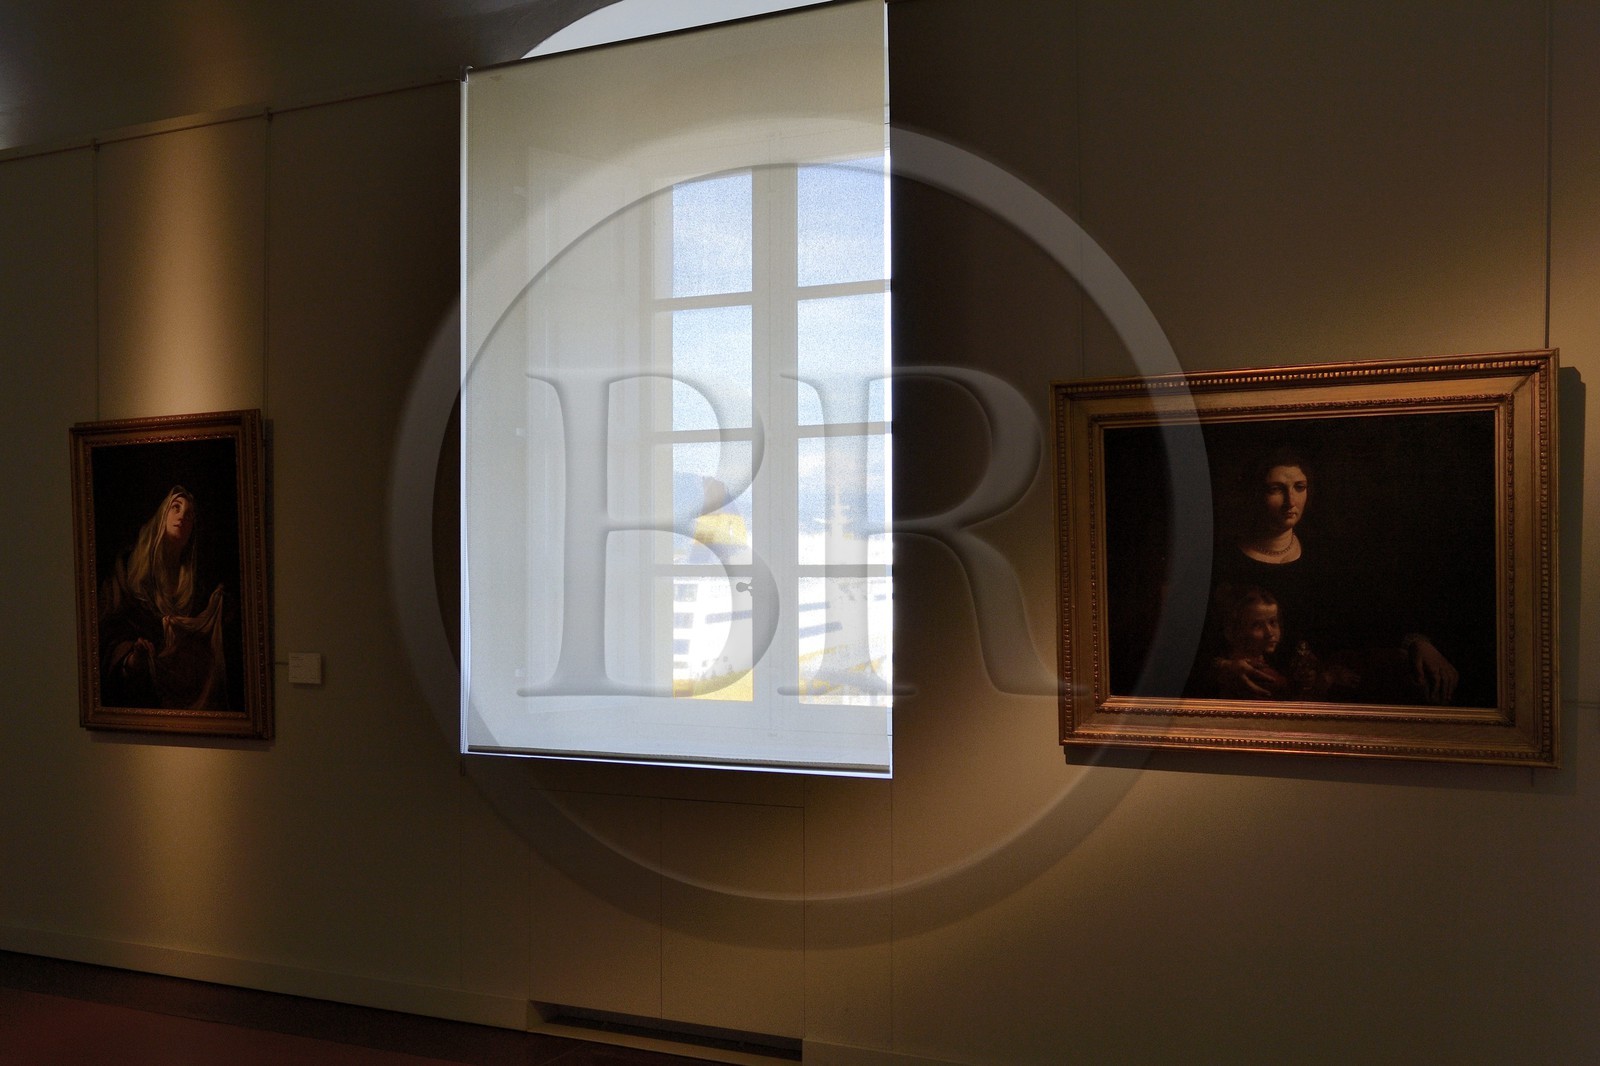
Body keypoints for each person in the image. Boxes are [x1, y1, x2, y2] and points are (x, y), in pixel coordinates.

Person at [1194, 446, 1459, 704]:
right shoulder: (1222, 562)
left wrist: (1418, 642)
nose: (1290, 501)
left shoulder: (1326, 556)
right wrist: (1223, 668)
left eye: (1300, 487)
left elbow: (1371, 616)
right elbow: (1193, 643)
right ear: (1254, 493)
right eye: (1276, 489)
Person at [98, 486, 230, 710]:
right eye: (175, 508)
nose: (182, 517)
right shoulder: (129, 568)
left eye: (189, 514)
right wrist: (131, 658)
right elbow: (110, 630)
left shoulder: (195, 584)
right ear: (162, 516)